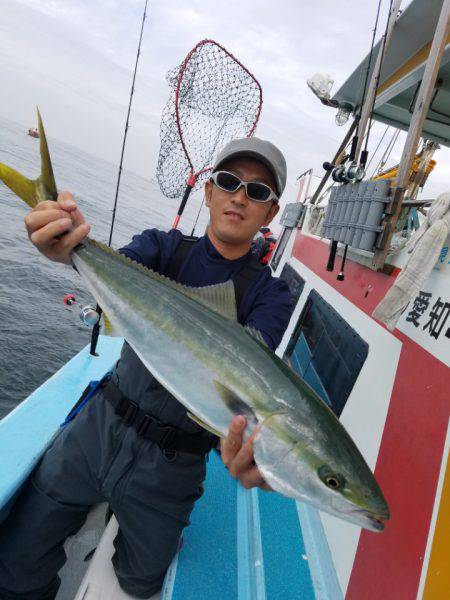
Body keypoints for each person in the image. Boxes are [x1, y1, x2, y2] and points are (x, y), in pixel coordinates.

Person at [0, 137, 293, 599]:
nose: (240, 196)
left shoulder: (271, 296)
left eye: (258, 192)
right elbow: (111, 274)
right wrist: (67, 246)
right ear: (209, 191)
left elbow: (250, 376)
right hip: (100, 426)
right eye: (229, 181)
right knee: (18, 562)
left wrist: (257, 446)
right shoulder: (162, 247)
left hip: (173, 463)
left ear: (270, 214)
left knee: (140, 583)